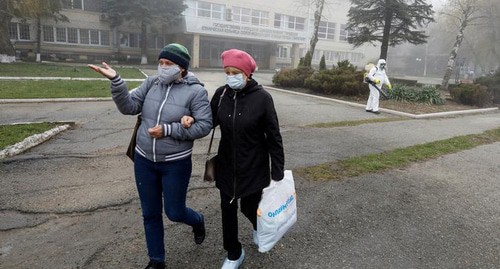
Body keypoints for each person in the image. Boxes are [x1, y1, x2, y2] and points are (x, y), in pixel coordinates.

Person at [88, 43, 212, 269]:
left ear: (182, 68)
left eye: (169, 64)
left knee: (174, 212)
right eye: (161, 62)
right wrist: (117, 81)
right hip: (144, 160)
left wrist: (169, 129)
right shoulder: (151, 83)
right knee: (150, 214)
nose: (163, 67)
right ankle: (157, 261)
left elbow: (204, 125)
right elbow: (129, 107)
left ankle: (197, 220)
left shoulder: (196, 91)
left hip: (175, 164)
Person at [210, 49, 285, 269]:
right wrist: (188, 118)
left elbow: (273, 136)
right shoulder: (221, 94)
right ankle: (234, 252)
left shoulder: (262, 98)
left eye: (235, 72)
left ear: (247, 74)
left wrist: (277, 170)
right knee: (227, 208)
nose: (231, 76)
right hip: (226, 164)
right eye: (227, 71)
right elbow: (208, 120)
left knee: (249, 207)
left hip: (253, 165)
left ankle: (258, 227)